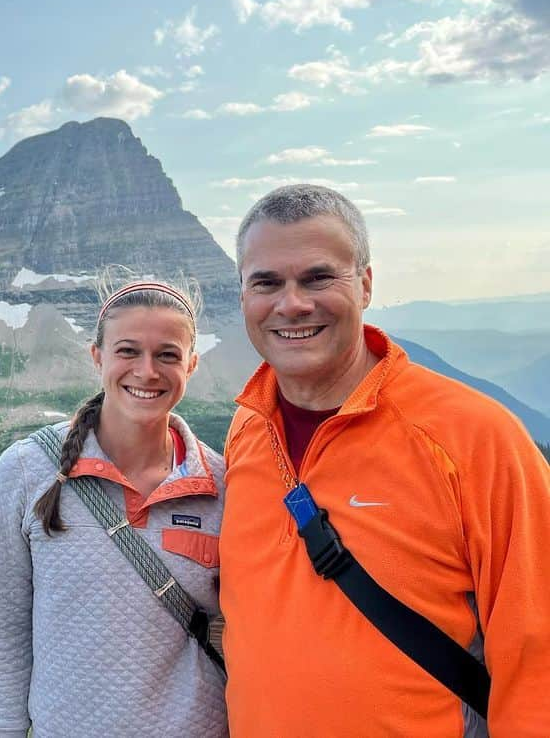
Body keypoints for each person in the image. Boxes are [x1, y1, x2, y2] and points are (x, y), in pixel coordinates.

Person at [220, 184, 550, 736]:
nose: (292, 303)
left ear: (366, 284)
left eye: (319, 277)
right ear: (244, 297)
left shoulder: (474, 436)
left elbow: (536, 646)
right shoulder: (247, 429)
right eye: (267, 283)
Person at [0, 277, 228, 738]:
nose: (147, 371)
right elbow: (7, 627)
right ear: (97, 357)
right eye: (128, 351)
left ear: (191, 365)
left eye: (168, 355)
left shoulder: (222, 485)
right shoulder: (26, 468)